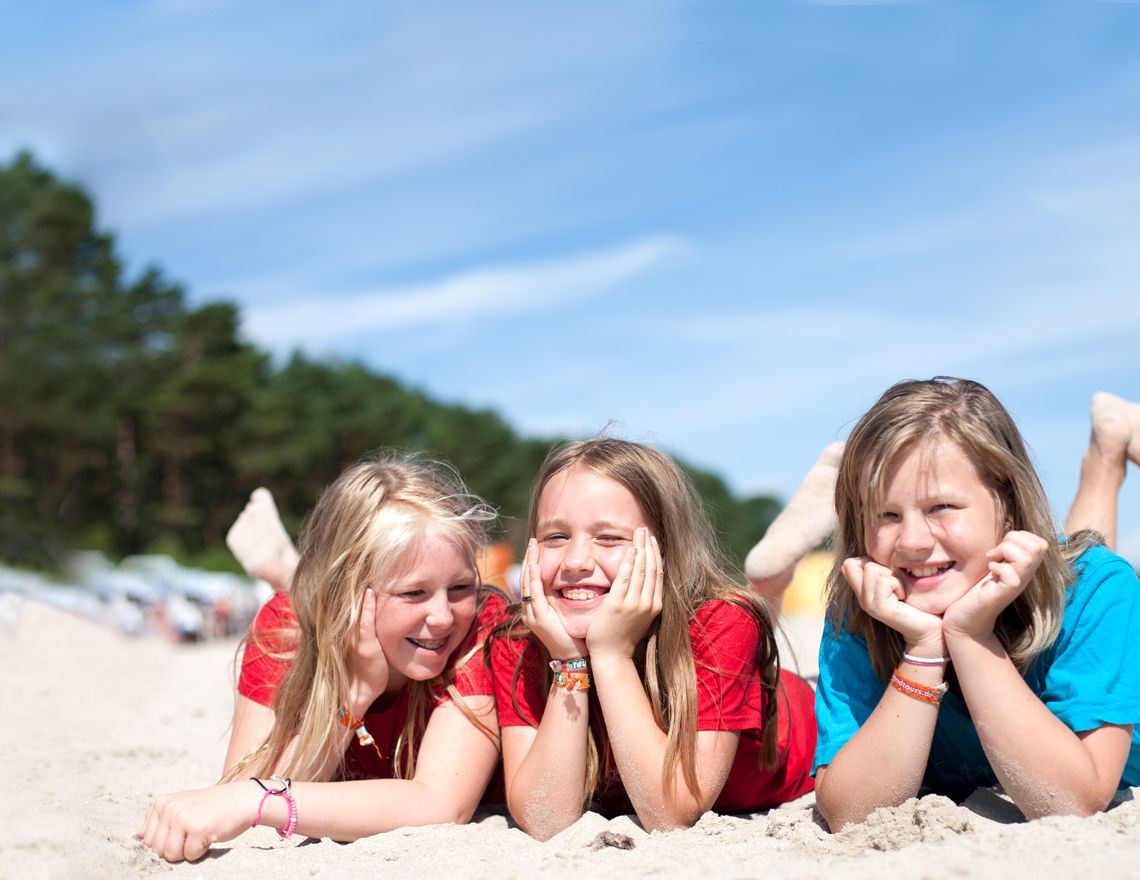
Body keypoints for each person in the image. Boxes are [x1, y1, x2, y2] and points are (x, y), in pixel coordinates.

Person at [139, 454, 507, 861]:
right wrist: (355, 692)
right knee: (308, 616)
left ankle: (288, 568)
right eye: (413, 593)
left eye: (460, 587)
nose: (442, 617)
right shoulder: (286, 628)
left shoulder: (479, 630)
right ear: (347, 592)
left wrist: (256, 800)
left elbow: (441, 803)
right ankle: (292, 574)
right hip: (324, 614)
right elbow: (242, 792)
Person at [813, 378, 1140, 831]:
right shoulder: (861, 609)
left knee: (1076, 567)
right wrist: (923, 649)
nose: (911, 541)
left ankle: (1105, 459)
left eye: (942, 506)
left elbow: (1074, 802)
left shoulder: (1100, 586)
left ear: (1008, 501)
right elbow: (851, 814)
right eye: (886, 514)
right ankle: (1107, 453)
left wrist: (971, 635)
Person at [487, 438, 816, 840]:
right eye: (556, 537)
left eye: (608, 538)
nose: (574, 562)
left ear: (664, 549)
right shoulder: (519, 642)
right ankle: (772, 579)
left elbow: (671, 813)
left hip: (803, 727)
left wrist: (610, 656)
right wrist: (569, 663)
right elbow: (544, 819)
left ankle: (771, 582)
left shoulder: (722, 623)